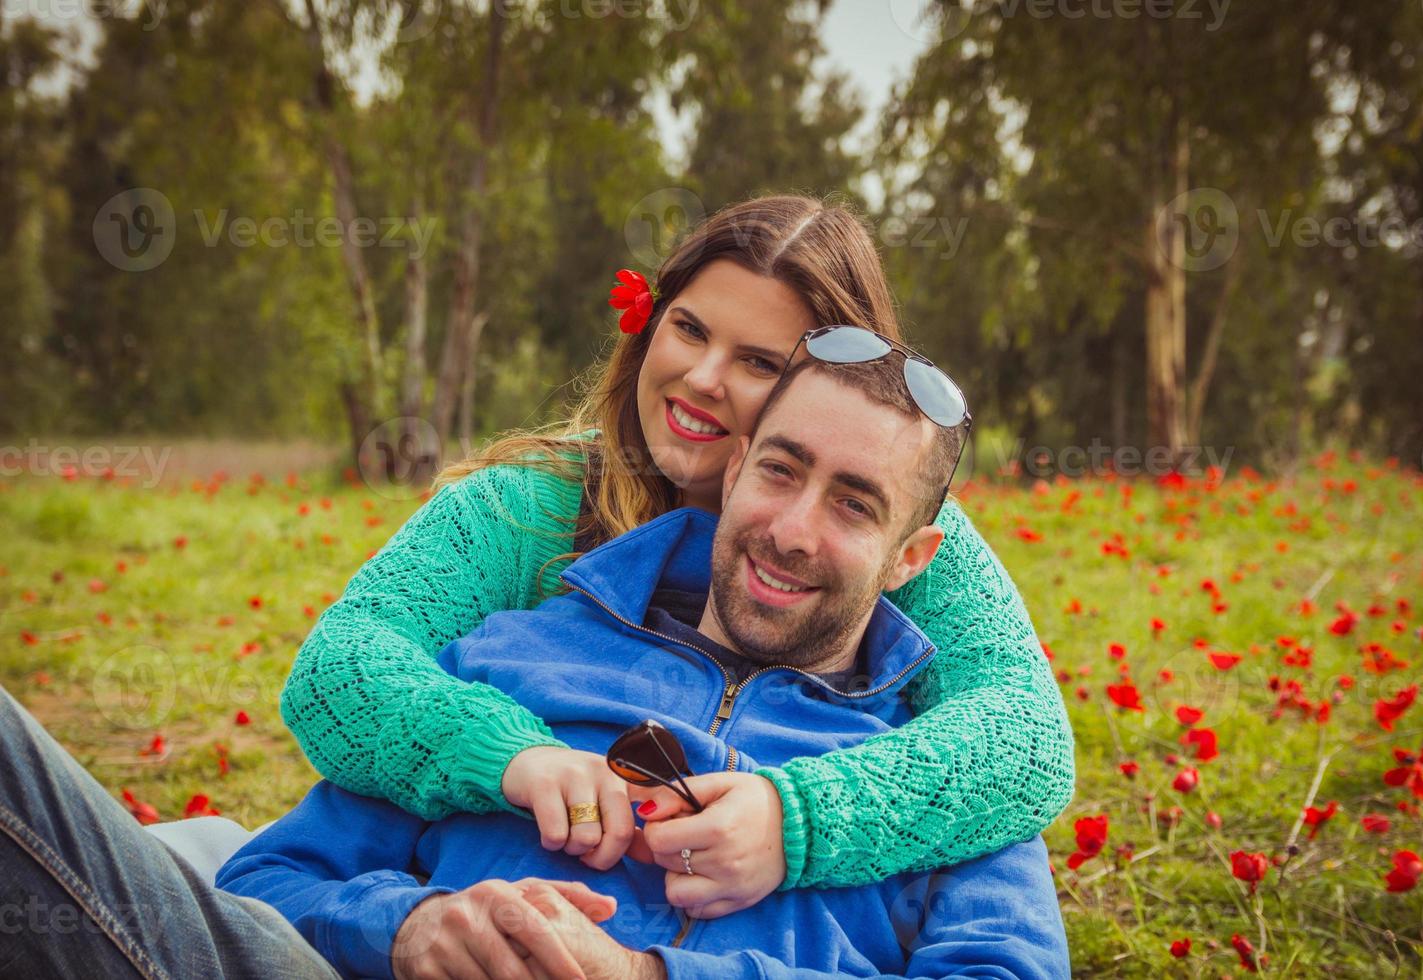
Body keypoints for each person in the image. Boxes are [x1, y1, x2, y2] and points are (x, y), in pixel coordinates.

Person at [276, 194, 1076, 920]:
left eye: (759, 362)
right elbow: (342, 668)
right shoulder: (525, 504)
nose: (701, 378)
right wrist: (512, 753)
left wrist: (796, 820)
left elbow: (1027, 737)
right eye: (690, 329)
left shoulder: (879, 539)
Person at [217, 348, 1070, 979]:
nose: (791, 530)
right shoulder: (518, 656)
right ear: (734, 469)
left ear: (910, 559)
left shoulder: (947, 780)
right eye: (781, 470)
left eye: (854, 504)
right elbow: (258, 887)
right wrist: (407, 930)